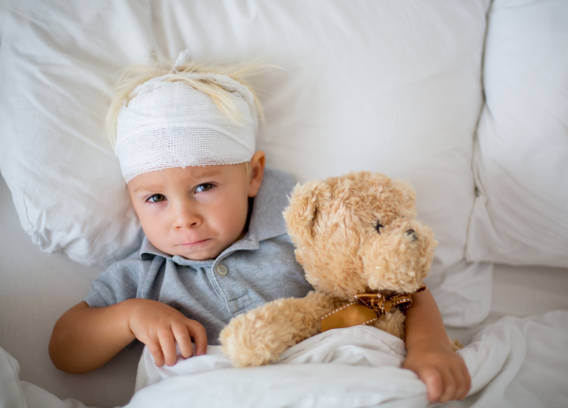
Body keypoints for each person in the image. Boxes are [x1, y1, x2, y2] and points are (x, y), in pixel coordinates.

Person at [48, 51, 470, 403]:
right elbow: (64, 350)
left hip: (322, 378)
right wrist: (130, 316)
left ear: (253, 175)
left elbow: (399, 291)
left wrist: (429, 347)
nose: (183, 217)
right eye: (155, 198)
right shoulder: (147, 273)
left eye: (204, 186)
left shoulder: (302, 231)